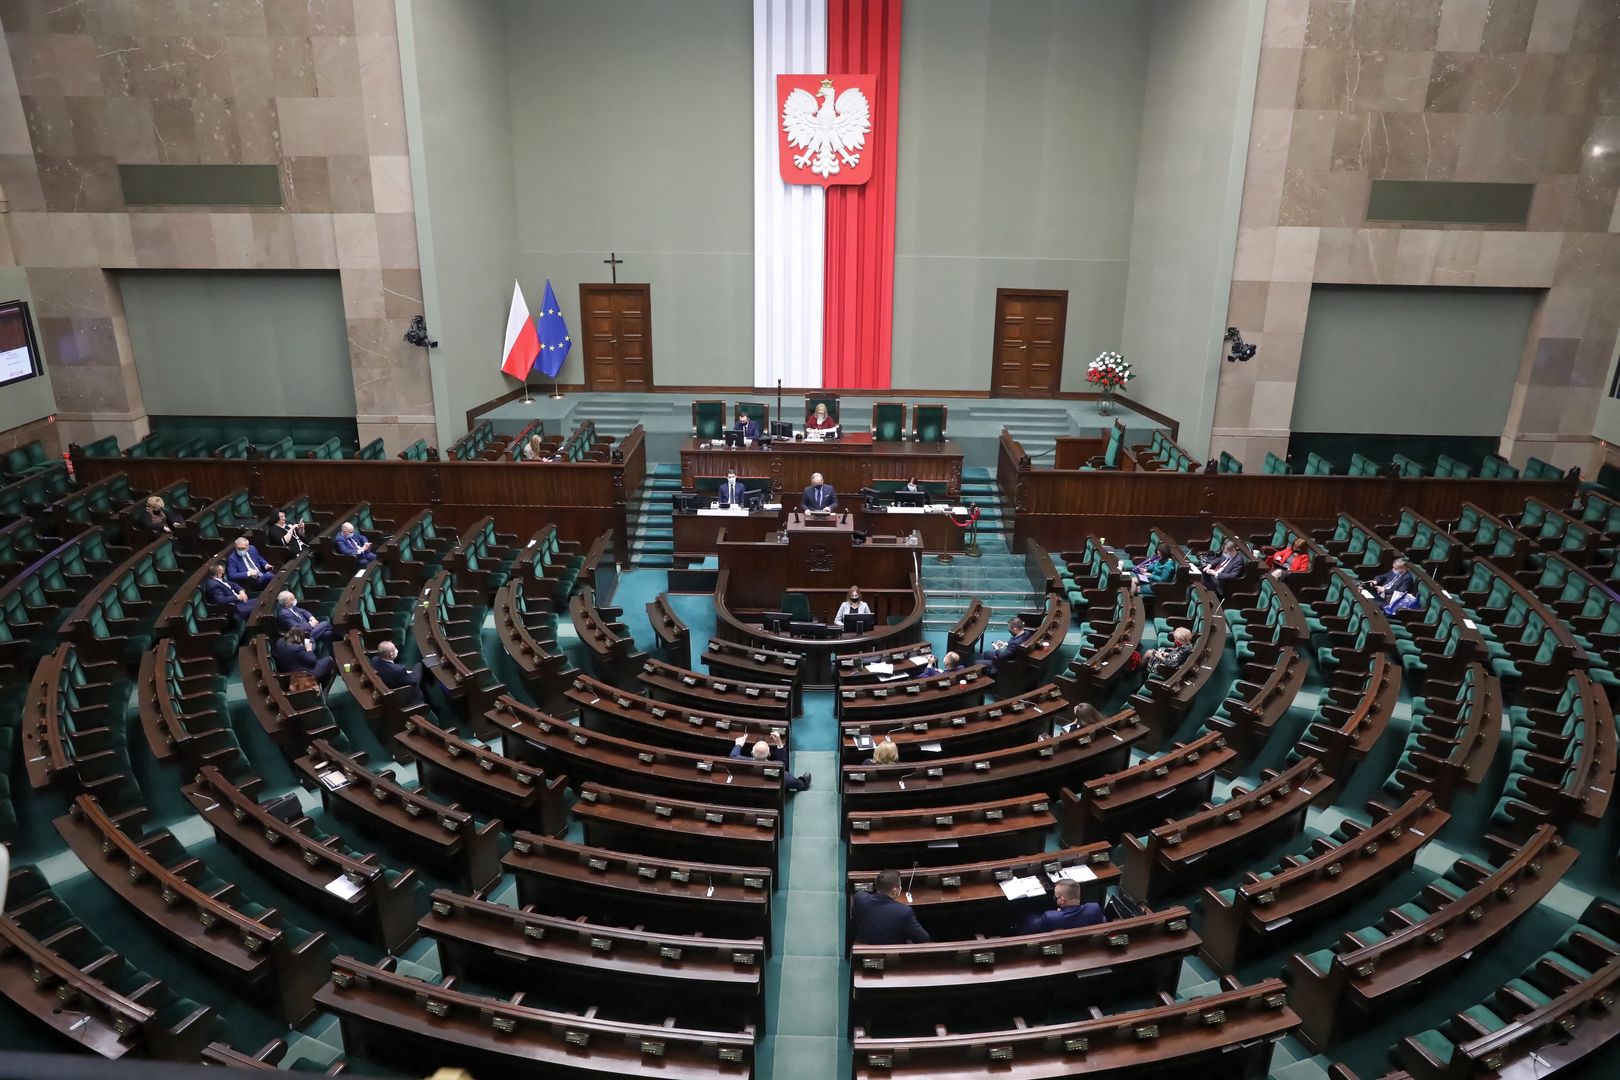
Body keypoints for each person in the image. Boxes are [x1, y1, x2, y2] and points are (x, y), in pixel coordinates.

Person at [851, 869, 929, 945]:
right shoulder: (904, 912)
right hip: (893, 954)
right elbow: (923, 939)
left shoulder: (860, 899)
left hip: (866, 946)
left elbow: (861, 894)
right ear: (895, 891)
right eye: (900, 886)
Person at [1014, 879, 1106, 935]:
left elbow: (1029, 924)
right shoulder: (1094, 908)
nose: (1054, 898)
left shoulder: (1050, 917)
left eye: (1055, 897)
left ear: (1062, 900)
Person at [731, 731, 810, 792]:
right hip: (767, 792)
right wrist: (779, 743)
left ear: (751, 753)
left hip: (748, 788)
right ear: (769, 754)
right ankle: (803, 781)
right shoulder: (781, 771)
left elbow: (733, 756)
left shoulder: (741, 761)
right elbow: (783, 764)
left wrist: (738, 744)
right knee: (799, 783)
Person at [272, 626, 334, 691]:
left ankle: (319, 683)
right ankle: (324, 689)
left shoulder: (279, 642)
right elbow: (313, 661)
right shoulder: (297, 648)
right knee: (329, 660)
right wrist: (309, 649)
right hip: (302, 673)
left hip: (286, 670)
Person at [371, 639, 425, 706]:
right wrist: (418, 667)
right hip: (401, 695)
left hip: (387, 683)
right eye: (395, 649)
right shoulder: (398, 670)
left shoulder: (374, 660)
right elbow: (413, 681)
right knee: (419, 666)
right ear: (391, 655)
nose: (397, 650)